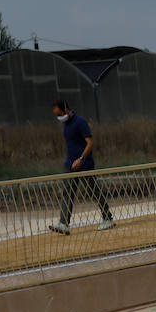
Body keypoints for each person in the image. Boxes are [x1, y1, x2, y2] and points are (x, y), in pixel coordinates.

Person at [48, 100, 114, 235]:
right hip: (70, 165)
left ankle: (108, 218)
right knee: (67, 193)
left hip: (85, 164)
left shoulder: (80, 122)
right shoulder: (65, 124)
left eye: (60, 113)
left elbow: (90, 143)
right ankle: (64, 223)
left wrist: (81, 159)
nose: (59, 117)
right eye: (56, 115)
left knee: (94, 191)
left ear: (66, 109)